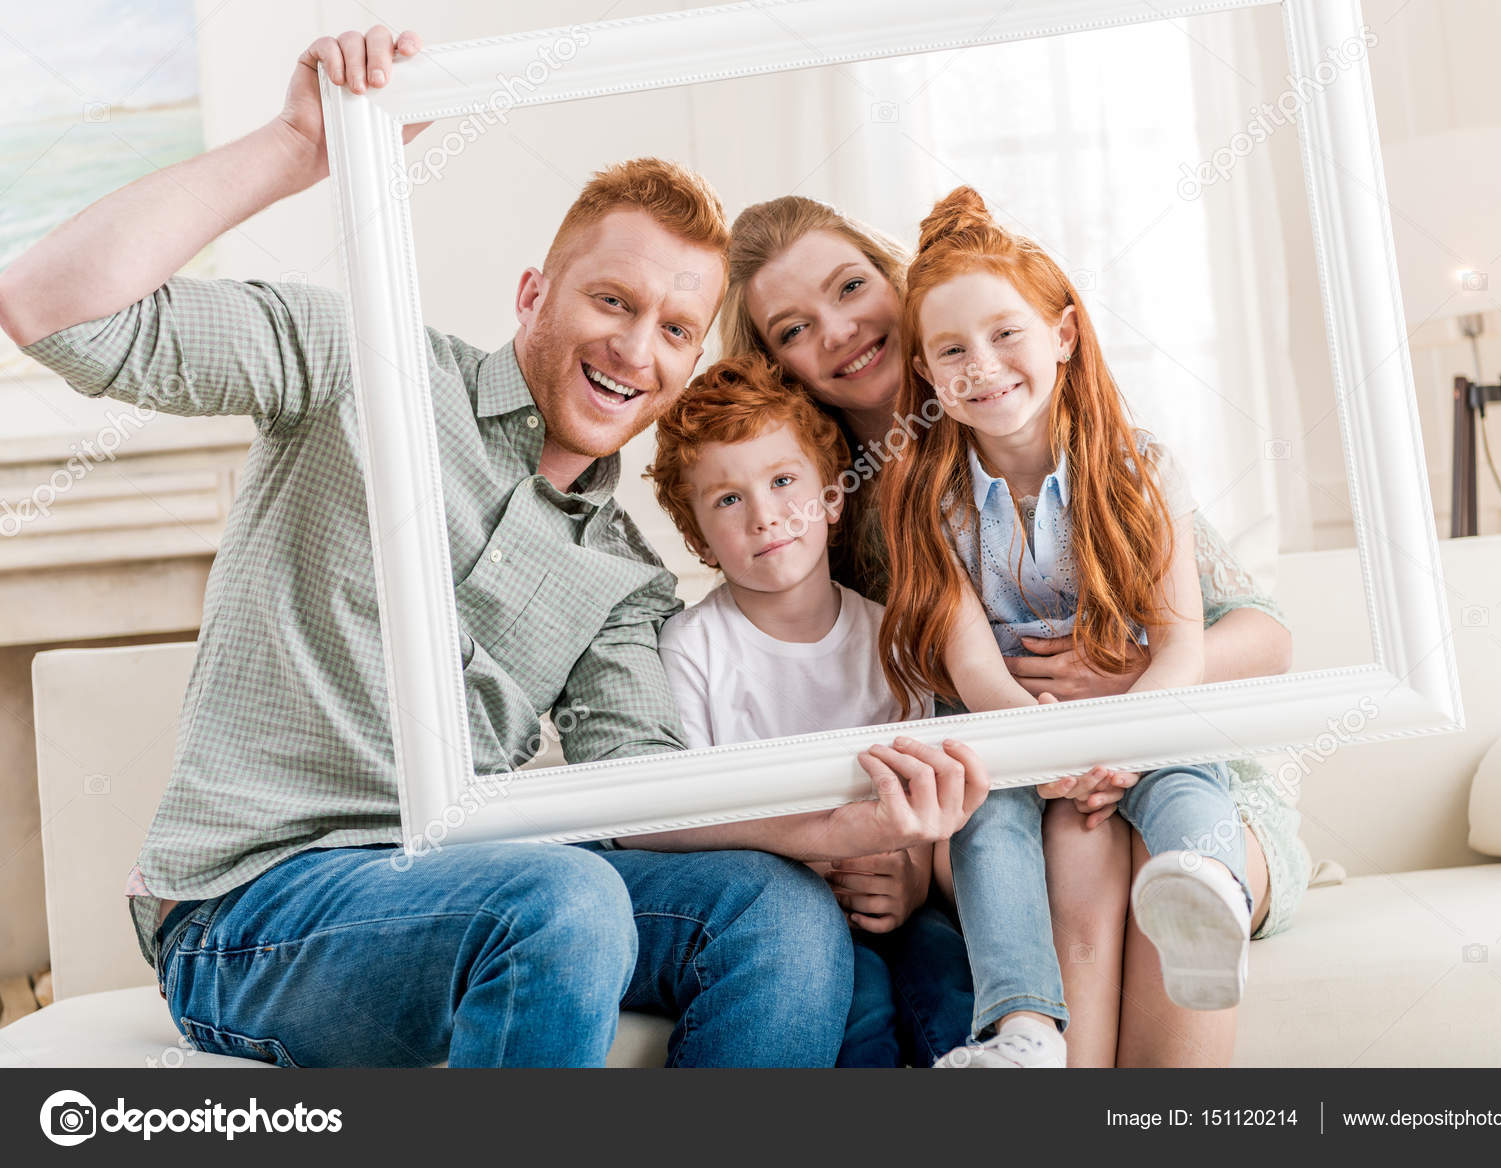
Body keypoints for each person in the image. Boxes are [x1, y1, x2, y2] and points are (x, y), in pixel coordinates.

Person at [0, 28, 990, 1067]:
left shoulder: (626, 578)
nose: (634, 346)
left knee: (774, 913)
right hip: (255, 908)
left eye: (672, 328)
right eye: (613, 300)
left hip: (467, 884)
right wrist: (298, 145)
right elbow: (53, 307)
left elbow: (643, 795)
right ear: (533, 294)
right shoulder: (357, 366)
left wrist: (830, 833)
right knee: (558, 896)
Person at [719, 192, 1311, 1066]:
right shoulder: (806, 512)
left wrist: (1121, 692)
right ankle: (1030, 1038)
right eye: (795, 329)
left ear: (901, 283)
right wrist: (899, 850)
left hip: (1169, 761)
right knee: (1072, 842)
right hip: (1004, 788)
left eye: (851, 287)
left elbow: (1263, 636)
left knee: (1133, 854)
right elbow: (823, 712)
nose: (839, 331)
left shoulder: (1090, 444)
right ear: (776, 365)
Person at [879, 185, 1262, 1067]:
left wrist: (1122, 741)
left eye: (1005, 333)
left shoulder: (1141, 469)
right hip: (1009, 722)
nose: (982, 365)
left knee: (1187, 777)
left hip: (1140, 706)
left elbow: (1179, 645)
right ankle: (1023, 1028)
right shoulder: (929, 503)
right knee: (987, 827)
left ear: (1062, 334)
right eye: (952, 350)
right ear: (930, 377)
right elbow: (971, 665)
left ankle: (1206, 893)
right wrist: (1040, 751)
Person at [643, 352, 974, 1067]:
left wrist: (913, 879)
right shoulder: (693, 647)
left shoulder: (891, 636)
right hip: (787, 906)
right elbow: (693, 811)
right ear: (699, 538)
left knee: (953, 992)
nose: (765, 516)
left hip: (890, 900)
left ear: (831, 497)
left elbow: (929, 791)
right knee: (862, 1016)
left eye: (784, 481)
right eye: (728, 500)